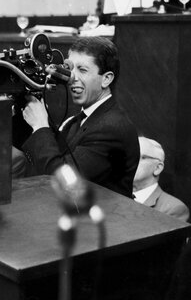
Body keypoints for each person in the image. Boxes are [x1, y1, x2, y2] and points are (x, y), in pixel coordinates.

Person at [20, 36, 139, 198]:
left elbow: (62, 181)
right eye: (69, 68)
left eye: (82, 70)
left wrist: (41, 126)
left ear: (106, 79)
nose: (71, 78)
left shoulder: (110, 128)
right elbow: (43, 155)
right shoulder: (78, 120)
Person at [133, 136, 189, 221]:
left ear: (157, 168)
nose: (130, 162)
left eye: (139, 157)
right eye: (129, 157)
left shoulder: (174, 208)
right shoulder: (116, 196)